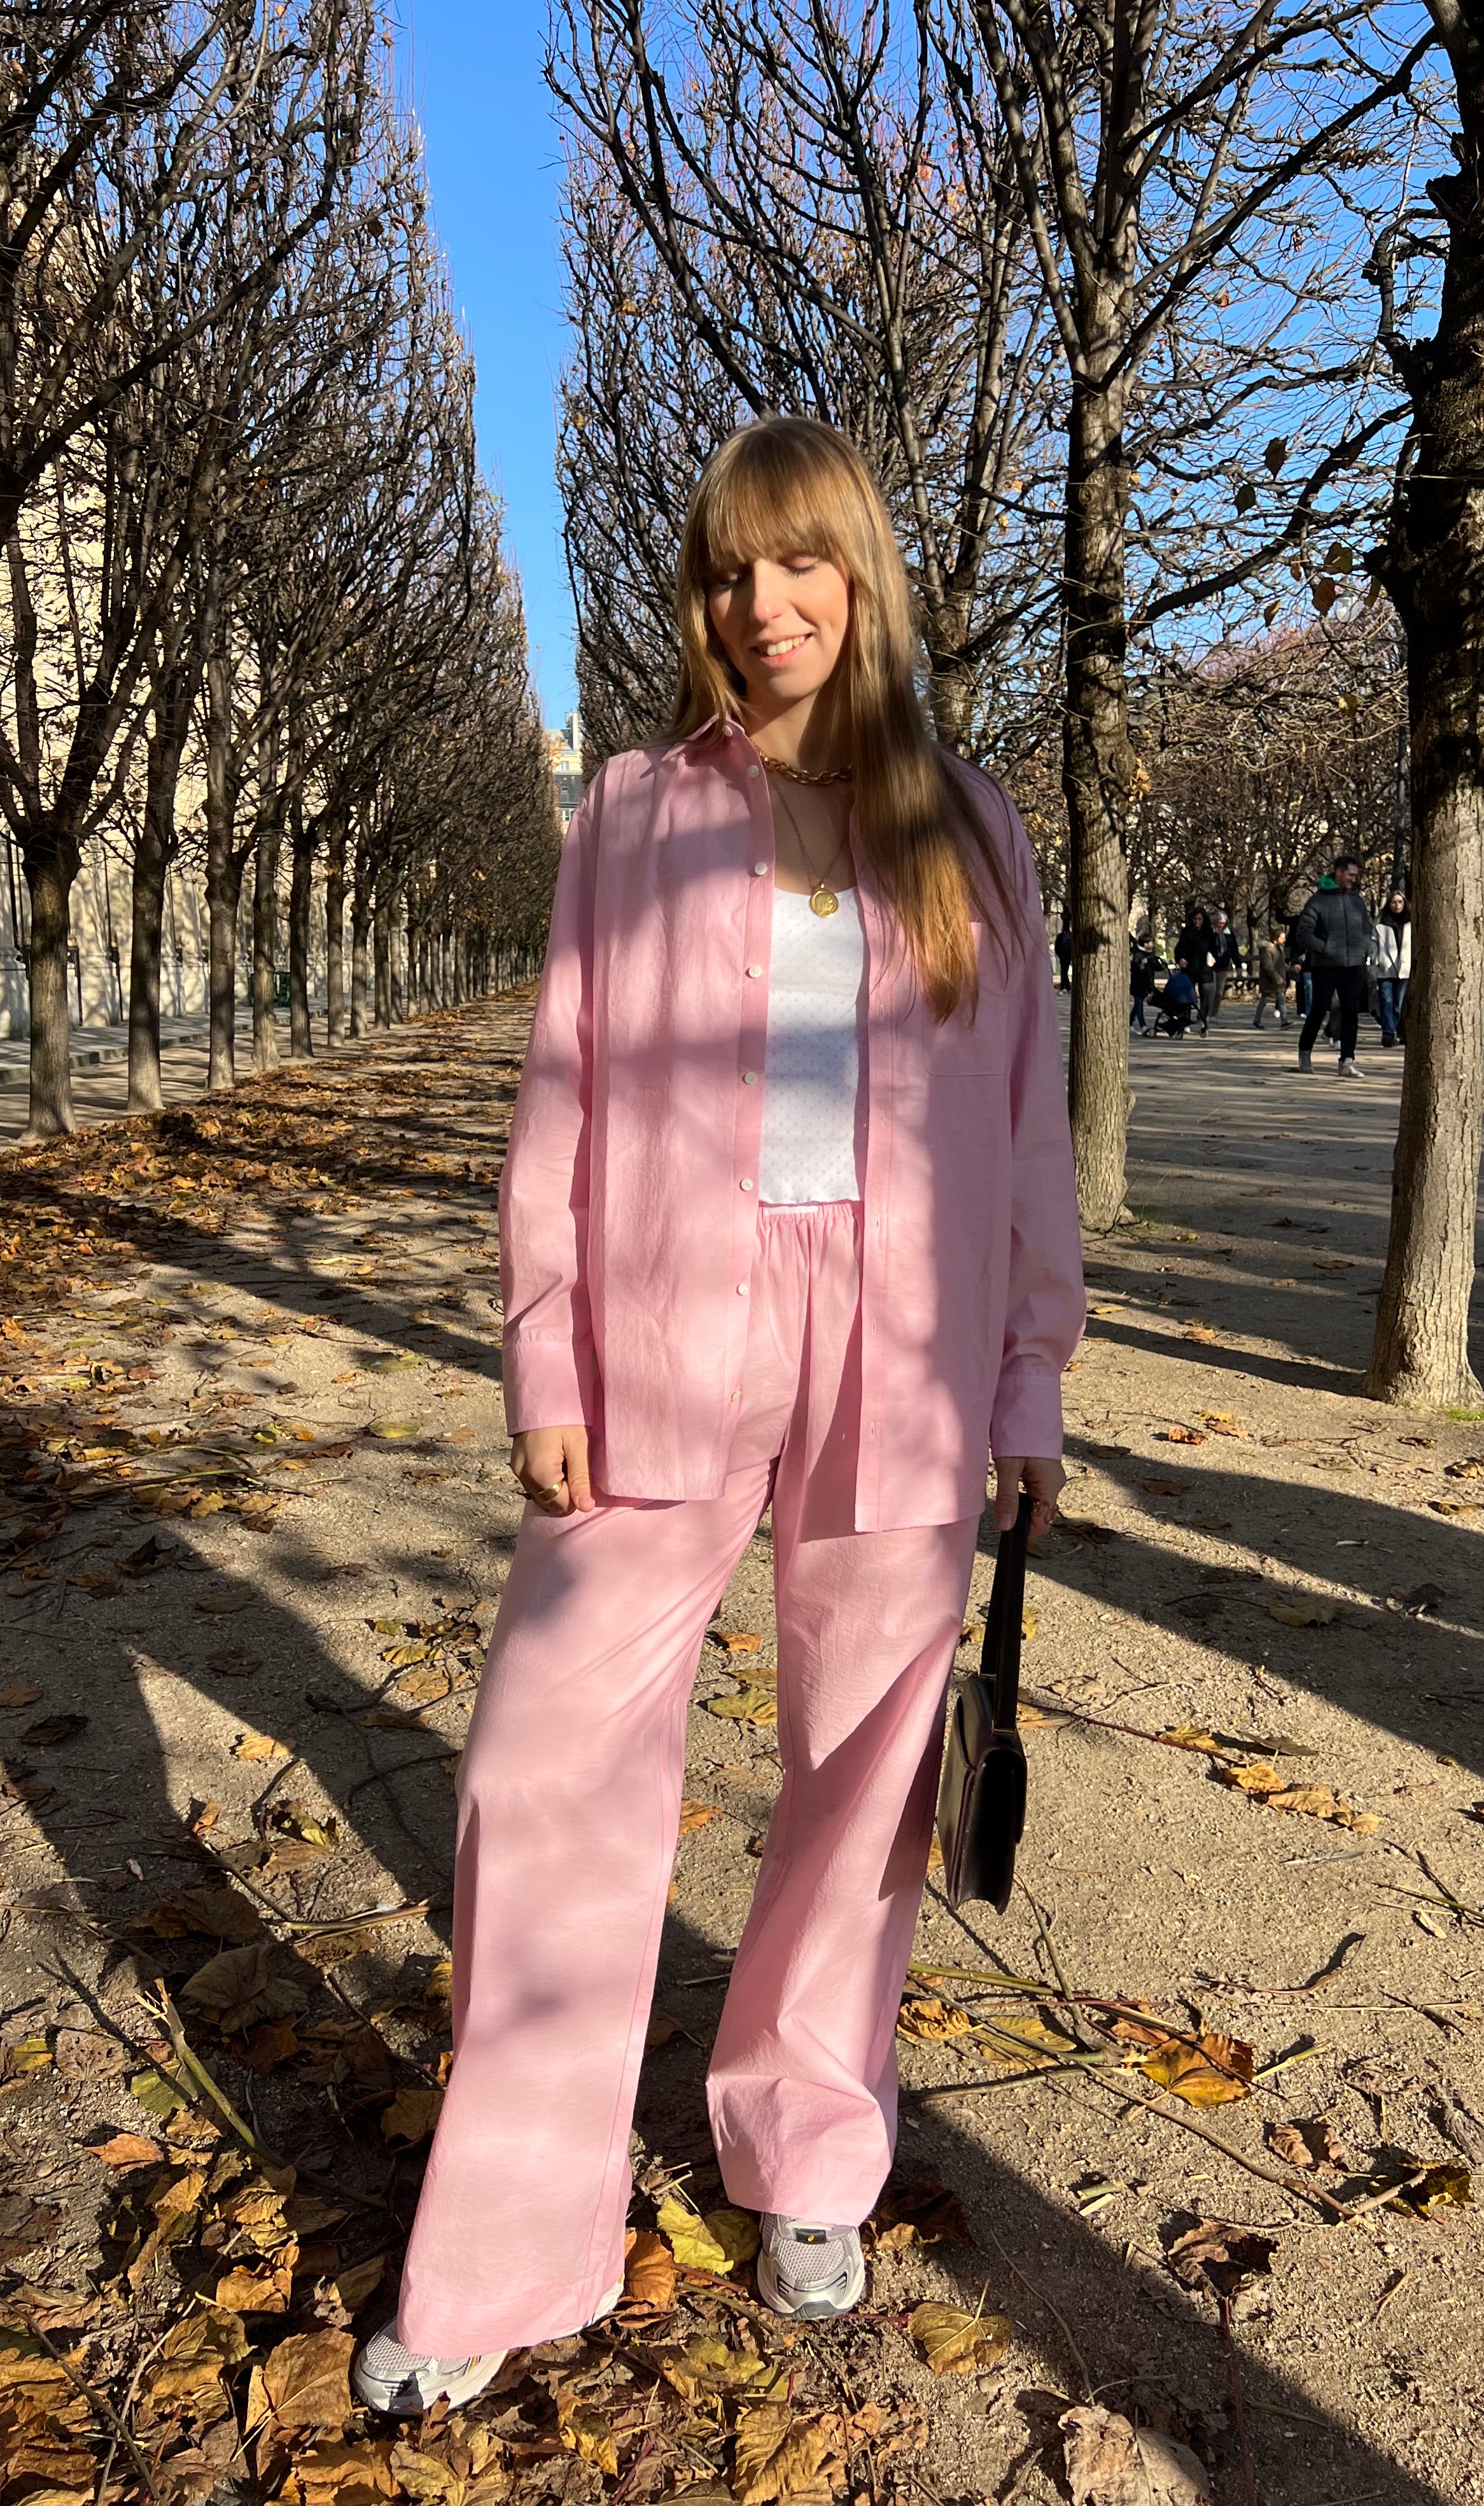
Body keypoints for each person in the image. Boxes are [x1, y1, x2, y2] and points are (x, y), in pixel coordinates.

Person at [354, 417, 1086, 2418]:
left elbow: (1026, 1133)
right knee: (546, 1772)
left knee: (866, 1779)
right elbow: (562, 1108)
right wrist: (545, 1357)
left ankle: (809, 2141)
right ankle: (509, 2242)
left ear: (859, 575)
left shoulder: (973, 831)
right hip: (666, 1339)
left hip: (908, 1352)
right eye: (730, 573)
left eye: (799, 566)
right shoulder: (627, 818)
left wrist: (1031, 1368)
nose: (763, 608)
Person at [1290, 856, 1374, 1076]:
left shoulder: (1357, 901)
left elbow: (1367, 928)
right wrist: (1324, 948)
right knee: (1318, 1011)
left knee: (1350, 1013)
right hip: (1325, 966)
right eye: (1351, 875)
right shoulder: (1318, 901)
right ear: (1338, 872)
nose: (1354, 879)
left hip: (1354, 966)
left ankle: (1347, 1060)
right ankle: (1305, 1051)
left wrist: (1363, 948)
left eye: (1356, 876)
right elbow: (1303, 933)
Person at [1371, 889, 1411, 1046]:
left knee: (1399, 1003)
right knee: (1386, 1001)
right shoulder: (1381, 922)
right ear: (1389, 904)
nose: (1397, 905)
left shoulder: (1411, 922)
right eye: (1394, 902)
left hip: (1405, 968)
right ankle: (1388, 1033)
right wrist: (1375, 960)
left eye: (1400, 902)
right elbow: (1373, 943)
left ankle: (1397, 1031)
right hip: (1385, 967)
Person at [1174, 907, 1221, 1032]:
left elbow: (1215, 949)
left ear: (1203, 919)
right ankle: (1185, 1021)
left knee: (1206, 995)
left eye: (1199, 919)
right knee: (1187, 995)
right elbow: (1180, 948)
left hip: (1205, 969)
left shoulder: (1209, 932)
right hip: (1189, 968)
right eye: (1195, 919)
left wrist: (1214, 958)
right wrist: (1180, 958)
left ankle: (1202, 1018)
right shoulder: (1187, 931)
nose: (1197, 922)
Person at [1252, 933, 1289, 1027]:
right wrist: (1277, 977)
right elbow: (1267, 966)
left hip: (1278, 979)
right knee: (1264, 1000)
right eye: (1282, 938)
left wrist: (1290, 968)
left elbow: (1280, 964)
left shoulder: (1278, 948)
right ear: (1276, 939)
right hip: (1269, 980)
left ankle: (1284, 1021)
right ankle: (1257, 1020)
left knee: (1281, 999)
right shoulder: (1267, 949)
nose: (1284, 940)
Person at [1154, 962, 1199, 1037]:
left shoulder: (1174, 980)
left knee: (1170, 1010)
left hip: (1175, 1001)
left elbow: (1167, 992)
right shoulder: (1185, 979)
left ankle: (1172, 1026)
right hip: (1188, 1000)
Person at [1130, 934, 1160, 1032]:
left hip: (1147, 983)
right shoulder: (1138, 954)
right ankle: (1143, 1026)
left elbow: (1157, 967)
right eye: (1151, 942)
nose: (1153, 944)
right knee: (1139, 1005)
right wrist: (1141, 965)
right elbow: (1134, 968)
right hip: (1138, 983)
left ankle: (1129, 1022)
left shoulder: (1151, 954)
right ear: (1146, 944)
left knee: (1137, 1006)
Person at [1212, 911, 1243, 1004]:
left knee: (1219, 993)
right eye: (1219, 923)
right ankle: (1206, 1013)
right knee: (1211, 992)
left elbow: (1234, 951)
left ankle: (1213, 1014)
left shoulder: (1229, 934)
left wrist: (1238, 967)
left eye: (1223, 923)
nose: (1221, 925)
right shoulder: (1211, 933)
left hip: (1224, 966)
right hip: (1212, 966)